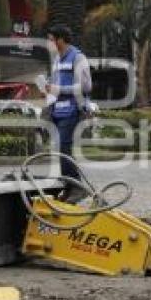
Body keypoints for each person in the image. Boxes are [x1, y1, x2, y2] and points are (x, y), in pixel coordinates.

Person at [42, 24, 92, 200]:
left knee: (64, 148)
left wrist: (58, 88)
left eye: (51, 40)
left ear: (60, 40)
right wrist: (48, 87)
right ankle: (69, 187)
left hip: (72, 110)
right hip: (57, 111)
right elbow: (56, 85)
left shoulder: (78, 58)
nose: (49, 44)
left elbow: (86, 86)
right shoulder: (57, 60)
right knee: (59, 150)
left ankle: (77, 187)